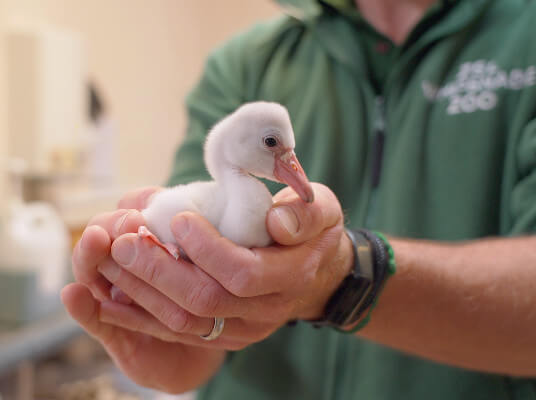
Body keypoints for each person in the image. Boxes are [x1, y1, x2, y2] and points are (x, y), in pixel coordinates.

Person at [62, 0, 536, 398]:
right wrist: (173, 331)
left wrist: (346, 278)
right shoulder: (249, 60)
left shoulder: (524, 35)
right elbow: (197, 303)